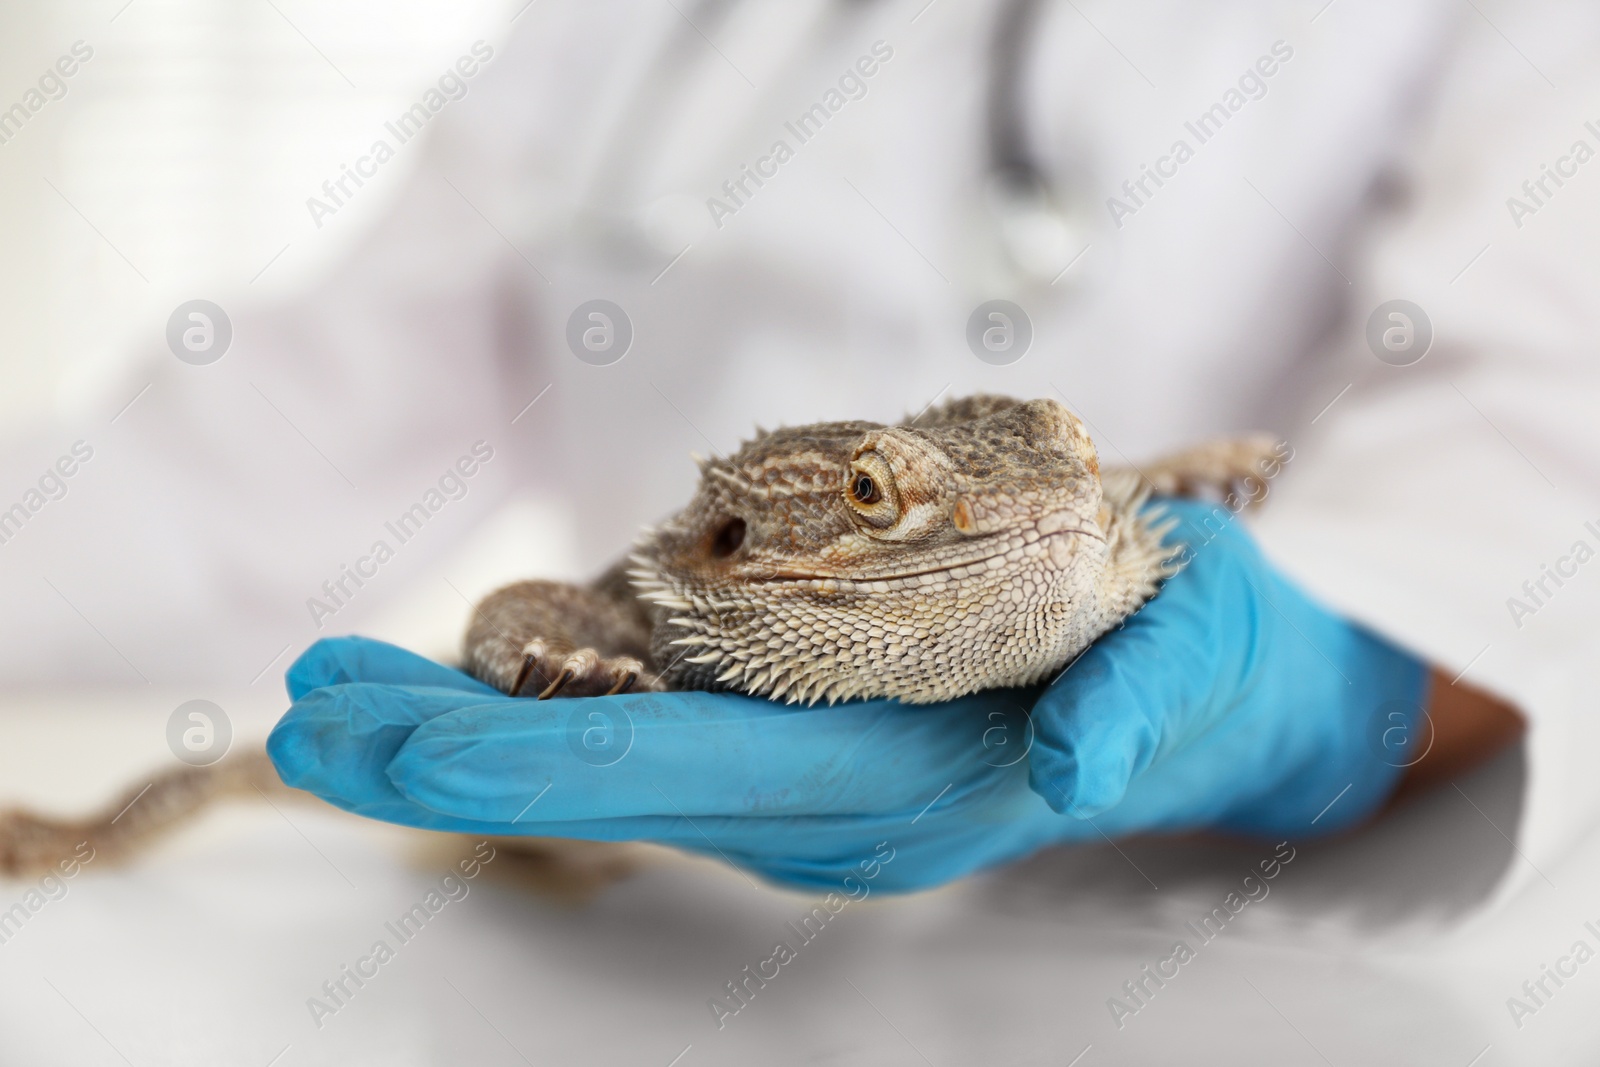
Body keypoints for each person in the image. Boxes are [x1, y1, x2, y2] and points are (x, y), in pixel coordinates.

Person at [4, 0, 1594, 905]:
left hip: (1234, 934)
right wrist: (551, 683)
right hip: (623, 945)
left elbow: (1526, 482)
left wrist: (1310, 697)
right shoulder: (650, 606)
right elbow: (268, 436)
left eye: (1084, 476)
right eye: (882, 506)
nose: (1049, 517)